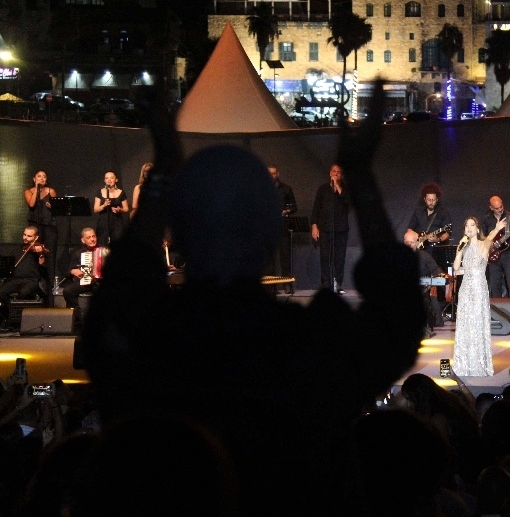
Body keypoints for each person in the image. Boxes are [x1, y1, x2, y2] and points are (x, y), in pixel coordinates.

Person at [79, 80, 424, 514]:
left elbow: (117, 298)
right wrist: (361, 178)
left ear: (178, 234)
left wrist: (163, 173)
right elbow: (397, 320)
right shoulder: (308, 346)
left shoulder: (145, 343)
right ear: (270, 235)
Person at [452, 216, 505, 377]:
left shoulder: (483, 245)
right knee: (465, 324)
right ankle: (464, 363)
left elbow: (490, 237)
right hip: (465, 289)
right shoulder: (463, 246)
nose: (469, 228)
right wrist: (459, 251)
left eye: (472, 225)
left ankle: (479, 363)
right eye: (466, 225)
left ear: (477, 229)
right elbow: (456, 268)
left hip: (478, 288)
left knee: (477, 323)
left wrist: (497, 228)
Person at [407, 182, 453, 324]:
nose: (431, 202)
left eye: (433, 200)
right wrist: (417, 237)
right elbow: (410, 229)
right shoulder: (418, 211)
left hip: (436, 250)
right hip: (421, 251)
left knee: (437, 278)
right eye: (429, 200)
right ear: (424, 199)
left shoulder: (443, 212)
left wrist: (437, 238)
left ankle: (438, 310)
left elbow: (448, 233)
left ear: (437, 199)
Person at [310, 163, 349, 293]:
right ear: (330, 173)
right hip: (325, 229)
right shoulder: (323, 189)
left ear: (341, 175)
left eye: (338, 172)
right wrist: (314, 226)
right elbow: (316, 208)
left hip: (341, 230)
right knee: (325, 258)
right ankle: (326, 284)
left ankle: (337, 284)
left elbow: (347, 201)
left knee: (339, 258)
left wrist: (337, 185)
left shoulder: (345, 188)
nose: (335, 174)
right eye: (333, 171)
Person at [0, 226, 48, 325]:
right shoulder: (18, 249)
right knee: (2, 292)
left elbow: (42, 264)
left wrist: (41, 254)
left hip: (31, 280)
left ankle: (23, 319)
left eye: (29, 236)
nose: (25, 237)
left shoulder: (38, 250)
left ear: (36, 237)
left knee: (24, 293)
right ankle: (13, 313)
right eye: (24, 235)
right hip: (15, 280)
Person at [404, 229, 445, 338]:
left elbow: (436, 270)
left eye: (411, 242)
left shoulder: (425, 256)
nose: (409, 245)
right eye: (407, 242)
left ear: (417, 242)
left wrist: (440, 276)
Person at [483, 195, 510, 298]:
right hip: (493, 254)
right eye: (497, 208)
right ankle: (496, 307)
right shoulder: (487, 219)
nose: (500, 209)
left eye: (501, 206)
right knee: (495, 284)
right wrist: (490, 244)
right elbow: (483, 237)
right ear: (491, 208)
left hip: (508, 253)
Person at [267, 164, 298, 293]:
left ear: (277, 174)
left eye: (273, 173)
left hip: (283, 227)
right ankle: (271, 286)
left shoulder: (286, 189)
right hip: (268, 228)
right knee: (270, 259)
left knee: (285, 257)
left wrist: (285, 211)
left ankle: (286, 284)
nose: (271, 176)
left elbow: (294, 206)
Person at [24, 170, 58, 283]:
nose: (42, 178)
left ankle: (50, 282)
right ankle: (34, 280)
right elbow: (31, 204)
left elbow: (57, 208)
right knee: (36, 252)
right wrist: (36, 188)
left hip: (49, 226)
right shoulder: (28, 191)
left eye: (44, 176)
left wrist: (52, 206)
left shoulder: (51, 191)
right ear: (34, 179)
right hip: (35, 226)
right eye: (39, 176)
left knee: (50, 253)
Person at [62, 228, 102, 312]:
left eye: (93, 236)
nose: (92, 239)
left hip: (100, 283)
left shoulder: (103, 251)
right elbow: (68, 270)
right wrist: (73, 271)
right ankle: (78, 313)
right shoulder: (78, 253)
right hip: (86, 282)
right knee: (67, 291)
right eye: (88, 237)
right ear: (83, 240)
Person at [93, 171, 129, 246]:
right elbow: (95, 209)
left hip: (117, 222)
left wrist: (120, 209)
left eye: (112, 178)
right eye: (107, 178)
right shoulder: (100, 192)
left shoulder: (121, 192)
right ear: (104, 180)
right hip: (103, 222)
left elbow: (126, 209)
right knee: (103, 245)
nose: (109, 180)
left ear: (116, 180)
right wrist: (104, 205)